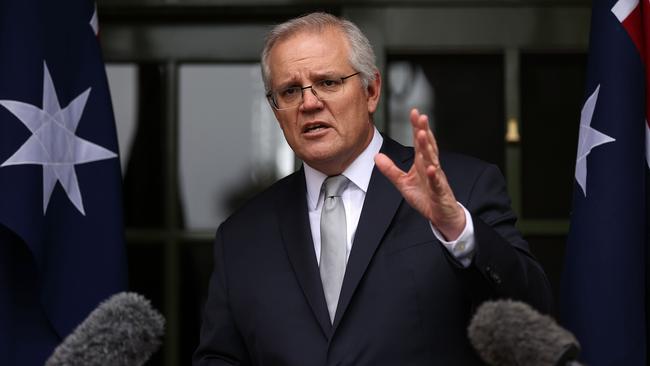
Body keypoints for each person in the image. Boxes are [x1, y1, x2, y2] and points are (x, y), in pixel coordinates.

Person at [193, 12, 552, 365]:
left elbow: (533, 312)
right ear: (276, 110)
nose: (309, 102)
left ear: (371, 91)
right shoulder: (241, 236)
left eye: (328, 82)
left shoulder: (463, 187)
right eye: (290, 90)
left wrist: (457, 228)